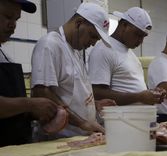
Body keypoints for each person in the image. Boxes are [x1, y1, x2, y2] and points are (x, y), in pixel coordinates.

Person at [31, 2, 114, 138]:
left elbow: (69, 93)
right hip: (58, 139)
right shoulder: (50, 45)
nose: (93, 43)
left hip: (79, 138)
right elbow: (42, 92)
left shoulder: (77, 51)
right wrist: (82, 123)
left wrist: (94, 105)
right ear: (79, 23)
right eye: (93, 36)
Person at [0, 0, 58, 147]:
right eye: (7, 16)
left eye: (16, 19)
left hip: (13, 150)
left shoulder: (5, 57)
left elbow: (13, 106)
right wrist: (30, 105)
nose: (13, 25)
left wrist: (36, 113)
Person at [89, 7, 165, 106]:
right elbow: (97, 92)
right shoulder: (104, 49)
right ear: (124, 25)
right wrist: (139, 97)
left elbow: (133, 89)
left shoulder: (130, 54)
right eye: (138, 34)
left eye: (143, 37)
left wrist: (151, 94)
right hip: (119, 120)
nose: (140, 41)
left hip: (135, 119)